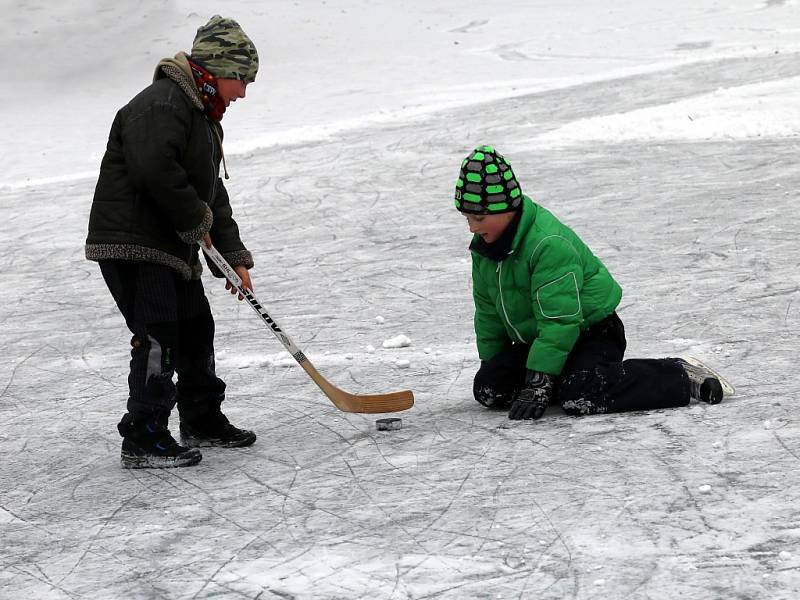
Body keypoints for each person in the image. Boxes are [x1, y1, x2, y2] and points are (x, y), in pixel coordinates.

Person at [86, 16, 260, 467]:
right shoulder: (162, 105)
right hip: (133, 243)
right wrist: (195, 221)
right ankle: (143, 435)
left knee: (196, 328)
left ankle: (201, 417)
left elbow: (210, 193)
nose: (242, 92)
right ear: (218, 68)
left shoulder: (200, 116)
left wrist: (233, 257)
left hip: (169, 245)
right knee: (159, 336)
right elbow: (154, 172)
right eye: (240, 79)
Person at [454, 145, 730, 420]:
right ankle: (564, 377)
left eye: (479, 218)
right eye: (467, 218)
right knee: (490, 389)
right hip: (542, 339)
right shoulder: (485, 249)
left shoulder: (547, 244)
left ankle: (679, 375)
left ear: (509, 208)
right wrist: (494, 365)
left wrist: (539, 382)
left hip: (592, 331)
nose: (472, 228)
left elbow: (560, 320)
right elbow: (488, 314)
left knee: (579, 394)